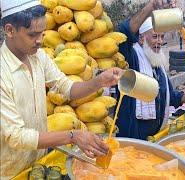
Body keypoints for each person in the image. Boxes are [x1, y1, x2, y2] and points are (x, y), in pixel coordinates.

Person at [0, 1, 123, 179]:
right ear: (10, 30)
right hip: (9, 173)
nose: (40, 41)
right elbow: (17, 136)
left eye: (42, 33)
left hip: (39, 165)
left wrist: (99, 81)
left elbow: (67, 89)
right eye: (32, 35)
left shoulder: (38, 57)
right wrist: (73, 136)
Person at [115, 0, 185, 140]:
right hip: (133, 135)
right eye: (155, 36)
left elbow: (172, 97)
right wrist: (151, 6)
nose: (159, 41)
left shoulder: (158, 66)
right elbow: (123, 33)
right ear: (141, 39)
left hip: (155, 135)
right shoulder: (130, 57)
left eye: (162, 37)